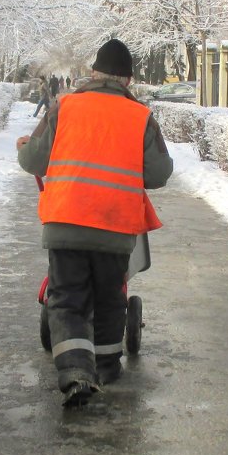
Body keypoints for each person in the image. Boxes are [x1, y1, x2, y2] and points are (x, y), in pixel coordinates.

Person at [17, 39, 173, 407]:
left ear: (93, 74)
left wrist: (25, 147)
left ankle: (74, 371)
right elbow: (160, 173)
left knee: (67, 299)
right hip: (116, 226)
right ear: (129, 80)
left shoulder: (64, 106)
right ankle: (105, 366)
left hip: (66, 222)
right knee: (109, 298)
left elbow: (34, 162)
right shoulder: (140, 117)